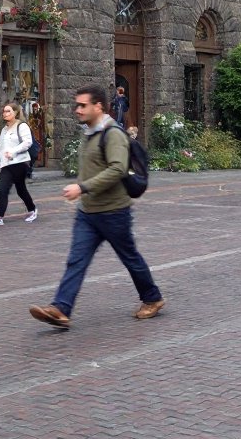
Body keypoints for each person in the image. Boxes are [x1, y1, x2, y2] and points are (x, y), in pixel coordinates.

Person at [29, 85, 164, 329]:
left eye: (83, 105)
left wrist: (82, 188)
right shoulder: (90, 132)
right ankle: (60, 308)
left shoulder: (112, 134)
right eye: (77, 105)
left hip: (114, 212)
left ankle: (152, 299)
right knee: (76, 260)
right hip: (88, 213)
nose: (77, 109)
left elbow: (117, 169)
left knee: (130, 258)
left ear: (98, 106)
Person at [0, 102, 38, 225]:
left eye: (8, 111)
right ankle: (0, 217)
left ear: (15, 112)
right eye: (4, 111)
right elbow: (2, 148)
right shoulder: (4, 130)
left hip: (20, 163)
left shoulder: (22, 126)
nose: (5, 113)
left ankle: (30, 210)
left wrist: (13, 152)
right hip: (6, 164)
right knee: (8, 189)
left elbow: (27, 143)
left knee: (17, 189)